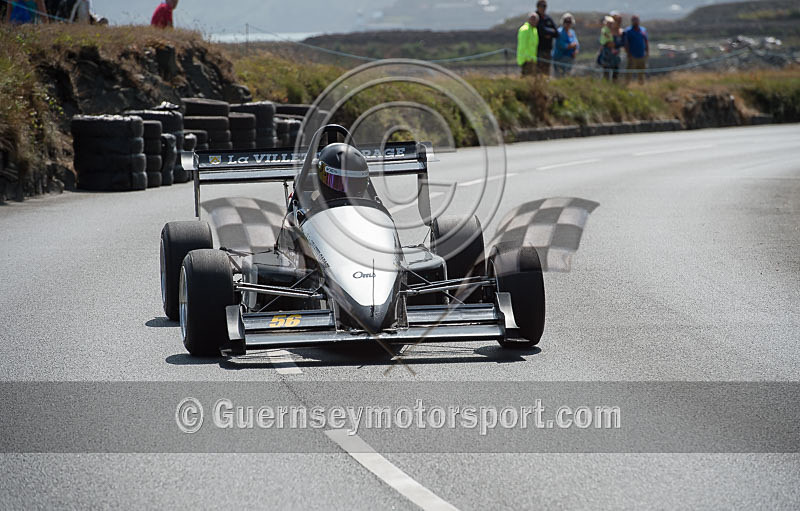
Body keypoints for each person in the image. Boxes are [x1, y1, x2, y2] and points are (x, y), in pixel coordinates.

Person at [624, 15, 649, 84]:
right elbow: (626, 43)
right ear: (631, 21)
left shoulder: (643, 30)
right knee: (629, 73)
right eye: (634, 20)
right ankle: (626, 85)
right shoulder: (628, 31)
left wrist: (647, 52)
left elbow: (646, 41)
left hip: (642, 55)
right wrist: (628, 53)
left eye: (637, 20)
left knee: (641, 73)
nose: (636, 22)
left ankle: (641, 85)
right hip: (632, 56)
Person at [534, 0, 557, 76]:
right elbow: (540, 30)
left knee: (546, 72)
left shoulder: (548, 18)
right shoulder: (535, 17)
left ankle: (545, 86)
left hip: (548, 50)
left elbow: (556, 33)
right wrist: (549, 31)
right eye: (542, 6)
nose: (544, 8)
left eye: (545, 6)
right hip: (538, 50)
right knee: (538, 71)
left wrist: (548, 32)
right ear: (537, 7)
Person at [552, 13, 578, 77]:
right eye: (566, 21)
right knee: (560, 76)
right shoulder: (559, 32)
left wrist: (575, 50)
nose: (568, 23)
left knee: (567, 75)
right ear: (563, 22)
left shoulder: (572, 32)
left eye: (569, 22)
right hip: (560, 58)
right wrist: (571, 46)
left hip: (570, 59)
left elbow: (576, 43)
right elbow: (561, 45)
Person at [516, 12, 539, 77]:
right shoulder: (524, 29)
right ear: (529, 19)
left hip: (532, 59)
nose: (534, 21)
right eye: (532, 19)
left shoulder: (534, 30)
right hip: (526, 60)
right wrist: (526, 59)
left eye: (535, 19)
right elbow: (523, 46)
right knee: (526, 78)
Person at [597, 15, 619, 81]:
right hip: (606, 49)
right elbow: (605, 35)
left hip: (610, 49)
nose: (610, 24)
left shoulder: (610, 30)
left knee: (613, 66)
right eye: (609, 23)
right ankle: (605, 81)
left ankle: (612, 81)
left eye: (611, 23)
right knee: (606, 66)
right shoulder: (604, 29)